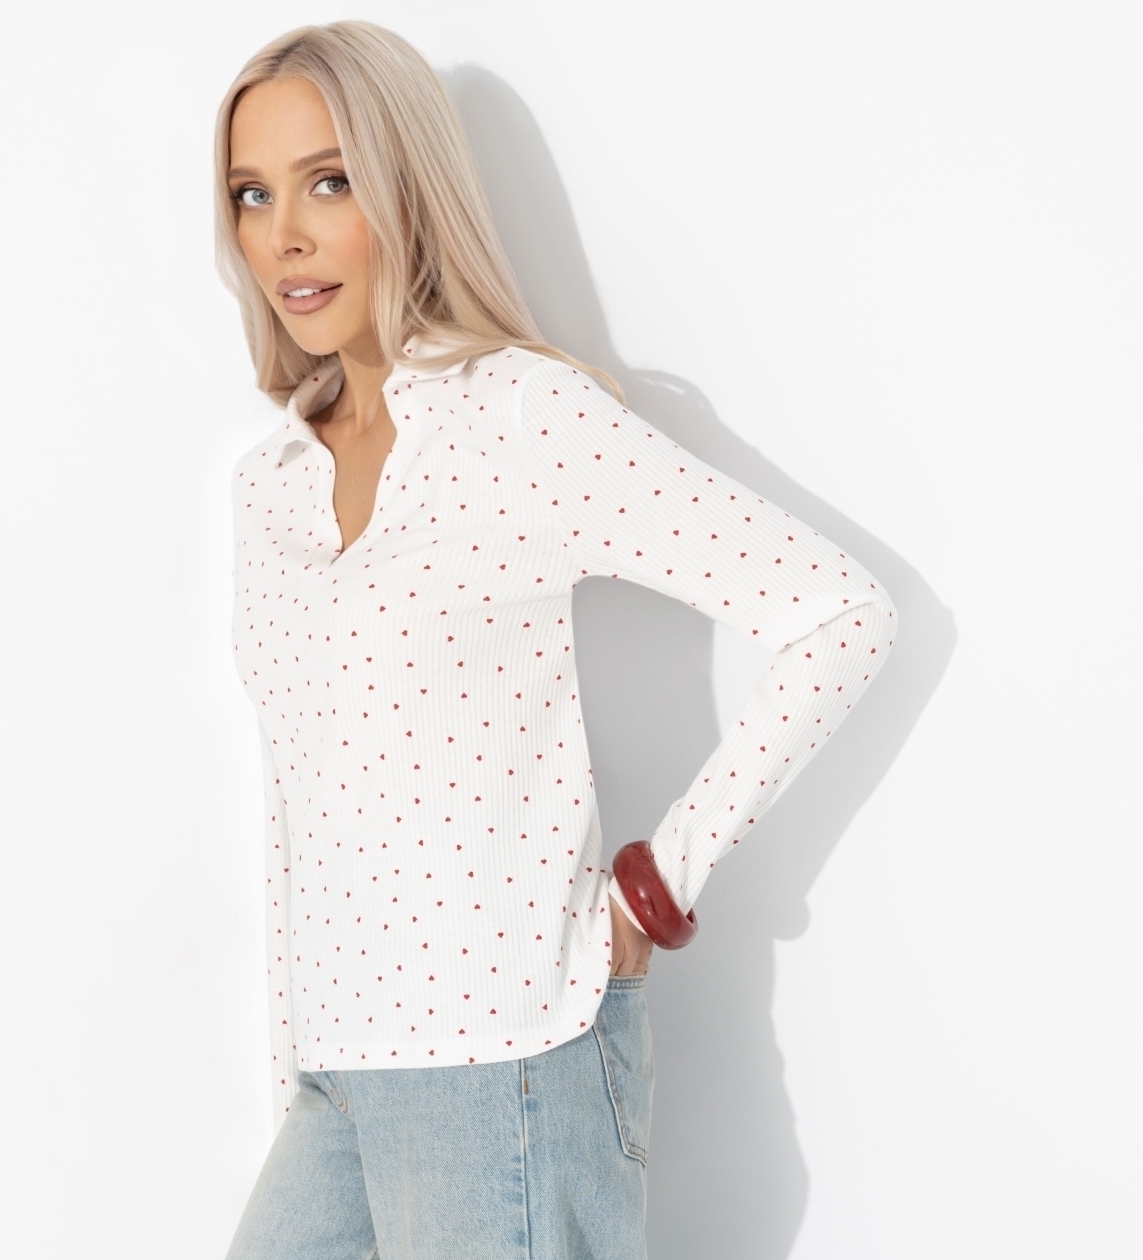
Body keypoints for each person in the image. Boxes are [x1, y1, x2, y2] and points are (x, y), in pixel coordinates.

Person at [216, 20, 896, 1260]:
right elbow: (292, 807)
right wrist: (295, 1077)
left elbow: (840, 615)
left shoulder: (521, 419)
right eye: (252, 194)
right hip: (338, 1078)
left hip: (509, 1066)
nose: (284, 236)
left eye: (329, 182)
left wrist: (657, 885)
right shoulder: (268, 488)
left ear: (405, 190)